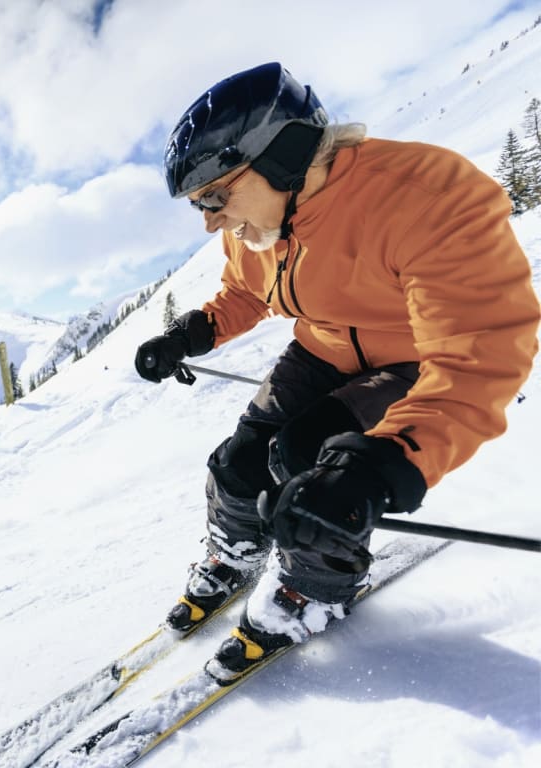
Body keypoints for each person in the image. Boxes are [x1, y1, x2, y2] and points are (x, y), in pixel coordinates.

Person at [134, 62, 539, 682]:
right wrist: (188, 334)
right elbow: (247, 293)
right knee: (239, 460)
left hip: (413, 359)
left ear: (284, 154)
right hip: (321, 349)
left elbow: (479, 351)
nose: (210, 220)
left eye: (214, 197)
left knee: (309, 459)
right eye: (199, 206)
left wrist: (382, 466)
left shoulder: (424, 197)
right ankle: (235, 551)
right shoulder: (255, 227)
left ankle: (313, 586)